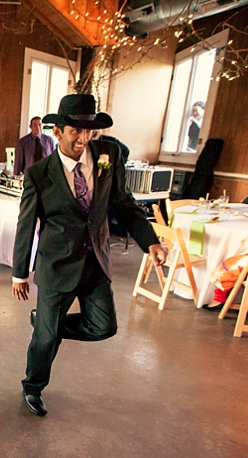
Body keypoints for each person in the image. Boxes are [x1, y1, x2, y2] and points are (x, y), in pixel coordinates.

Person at [12, 94, 166, 417]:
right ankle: (33, 387)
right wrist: (19, 272)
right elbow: (26, 224)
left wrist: (148, 241)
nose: (83, 139)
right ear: (58, 131)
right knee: (46, 341)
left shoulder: (108, 156)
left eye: (89, 132)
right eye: (75, 131)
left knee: (104, 326)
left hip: (95, 259)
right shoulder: (39, 174)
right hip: (56, 264)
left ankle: (45, 324)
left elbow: (123, 202)